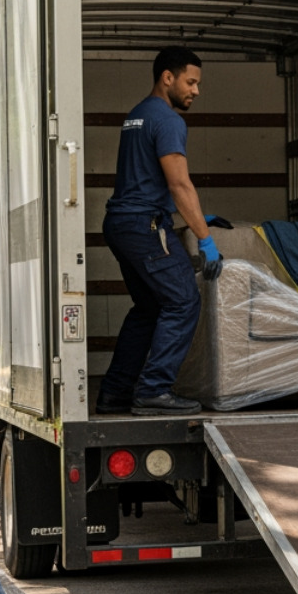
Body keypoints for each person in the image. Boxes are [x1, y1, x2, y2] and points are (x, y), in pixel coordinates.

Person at [96, 46, 226, 417]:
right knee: (183, 300)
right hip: (144, 226)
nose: (196, 91)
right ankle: (153, 390)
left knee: (149, 307)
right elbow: (179, 185)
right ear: (166, 78)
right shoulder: (169, 121)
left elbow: (143, 180)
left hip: (122, 225)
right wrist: (205, 239)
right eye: (191, 82)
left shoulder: (137, 114)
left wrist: (198, 218)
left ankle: (115, 392)